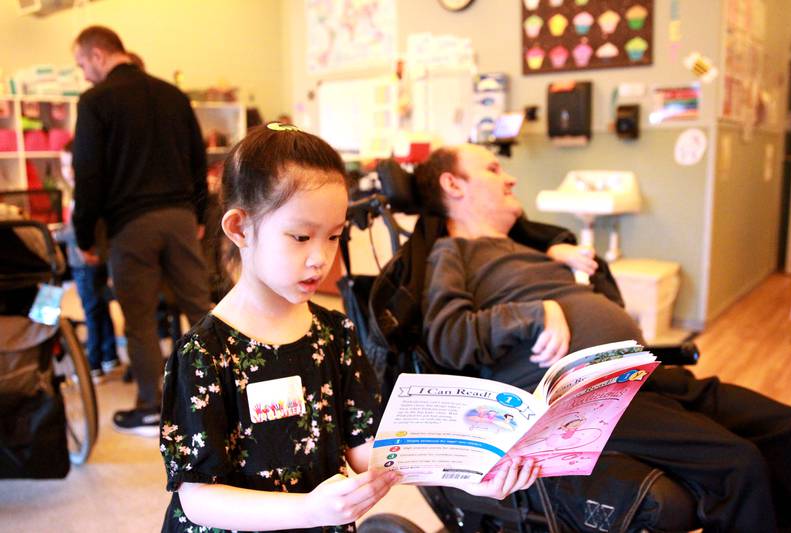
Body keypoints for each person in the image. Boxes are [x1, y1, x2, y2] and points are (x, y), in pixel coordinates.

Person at [158, 124, 539, 532]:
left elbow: (366, 451)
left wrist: (469, 471)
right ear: (239, 228)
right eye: (301, 236)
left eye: (334, 236)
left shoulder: (334, 333)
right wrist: (308, 510)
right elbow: (197, 496)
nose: (320, 258)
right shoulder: (204, 354)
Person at [414, 143, 791, 533]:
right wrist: (536, 313)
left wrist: (579, 272)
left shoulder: (530, 249)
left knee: (788, 430)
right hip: (577, 399)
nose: (511, 177)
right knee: (737, 465)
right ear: (453, 184)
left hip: (636, 375)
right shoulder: (451, 253)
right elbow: (448, 337)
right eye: (495, 169)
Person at [71, 26, 211, 436]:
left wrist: (83, 236)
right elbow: (197, 157)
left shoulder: (96, 101)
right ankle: (226, 391)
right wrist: (199, 214)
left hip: (131, 226)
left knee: (140, 319)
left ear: (98, 54)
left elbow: (88, 174)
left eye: (82, 63)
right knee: (201, 308)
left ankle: (151, 406)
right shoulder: (172, 94)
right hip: (182, 218)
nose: (83, 74)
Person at [54, 141, 120, 382]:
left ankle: (92, 365)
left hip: (84, 262)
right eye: (63, 165)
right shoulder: (93, 192)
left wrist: (54, 233)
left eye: (71, 165)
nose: (67, 171)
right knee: (100, 308)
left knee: (92, 312)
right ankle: (109, 355)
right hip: (96, 258)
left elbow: (75, 230)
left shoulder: (82, 195)